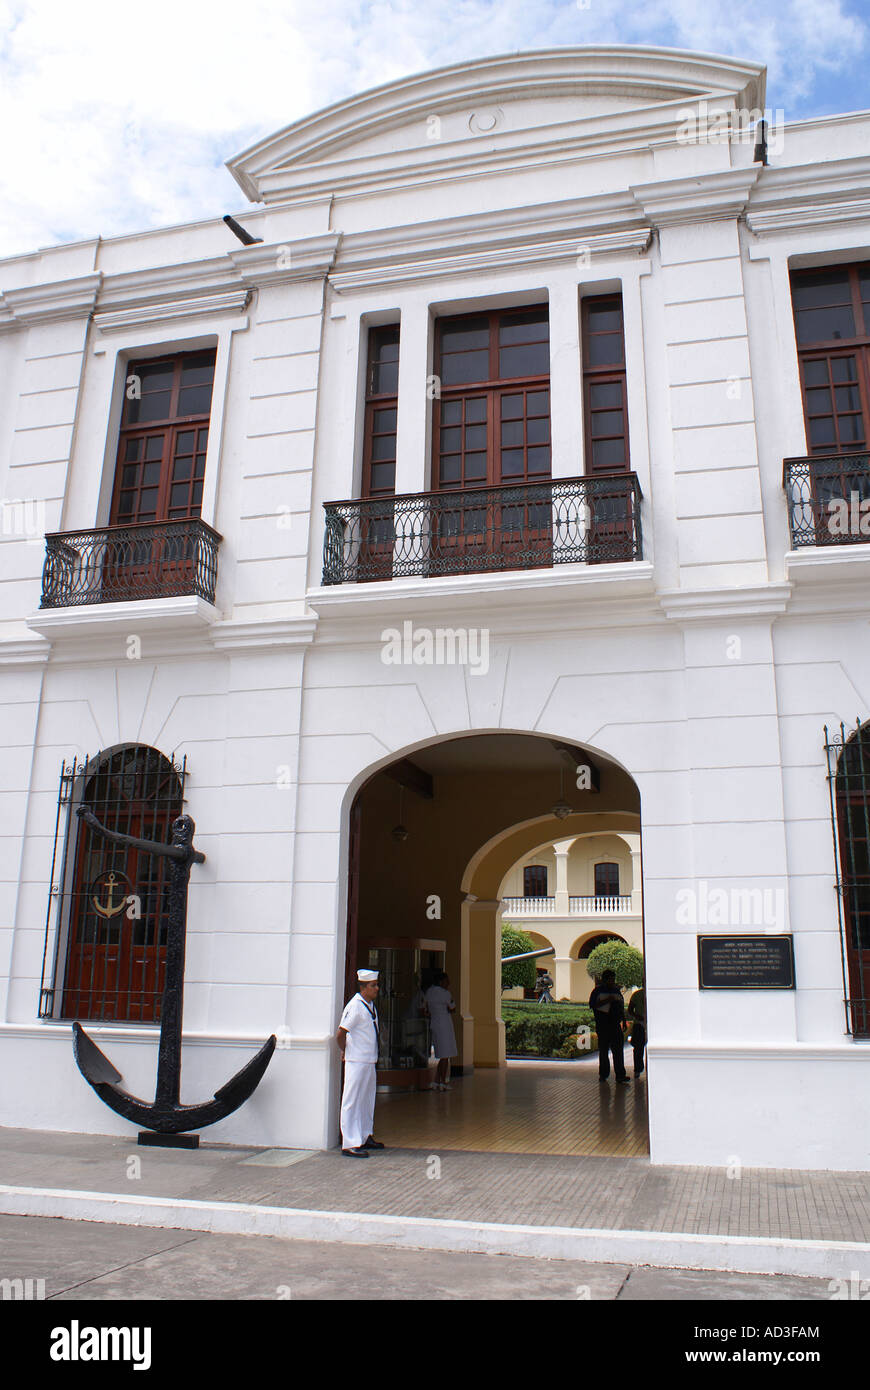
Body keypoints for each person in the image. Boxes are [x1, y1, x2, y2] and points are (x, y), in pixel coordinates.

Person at [336, 968, 385, 1157]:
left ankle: (365, 1136)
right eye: (373, 986)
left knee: (366, 1100)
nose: (377, 988)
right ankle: (349, 1143)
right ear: (363, 987)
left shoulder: (370, 1005)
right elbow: (341, 1033)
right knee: (352, 1100)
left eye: (377, 985)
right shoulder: (355, 1006)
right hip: (356, 1060)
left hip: (369, 1060)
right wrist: (345, 1051)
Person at [589, 969, 629, 1084]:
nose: (612, 981)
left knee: (618, 1051)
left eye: (613, 979)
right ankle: (603, 1074)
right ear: (605, 979)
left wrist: (624, 1020)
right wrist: (608, 1000)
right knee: (603, 1051)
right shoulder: (597, 991)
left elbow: (621, 1007)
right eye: (610, 979)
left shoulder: (616, 991)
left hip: (615, 1025)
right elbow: (593, 1005)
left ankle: (620, 1075)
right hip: (603, 1025)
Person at [424, 972, 457, 1090]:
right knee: (445, 1055)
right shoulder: (445, 994)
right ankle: (442, 1081)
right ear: (441, 982)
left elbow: (425, 1008)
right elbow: (452, 1008)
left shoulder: (429, 992)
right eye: (446, 981)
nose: (448, 983)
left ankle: (437, 1080)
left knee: (442, 1053)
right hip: (445, 1025)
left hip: (435, 1023)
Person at [627, 985, 646, 1079]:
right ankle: (638, 1069)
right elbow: (630, 1010)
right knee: (639, 1048)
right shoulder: (637, 995)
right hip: (639, 1024)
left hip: (649, 1024)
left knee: (640, 1048)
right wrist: (636, 1016)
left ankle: (640, 1069)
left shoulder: (638, 994)